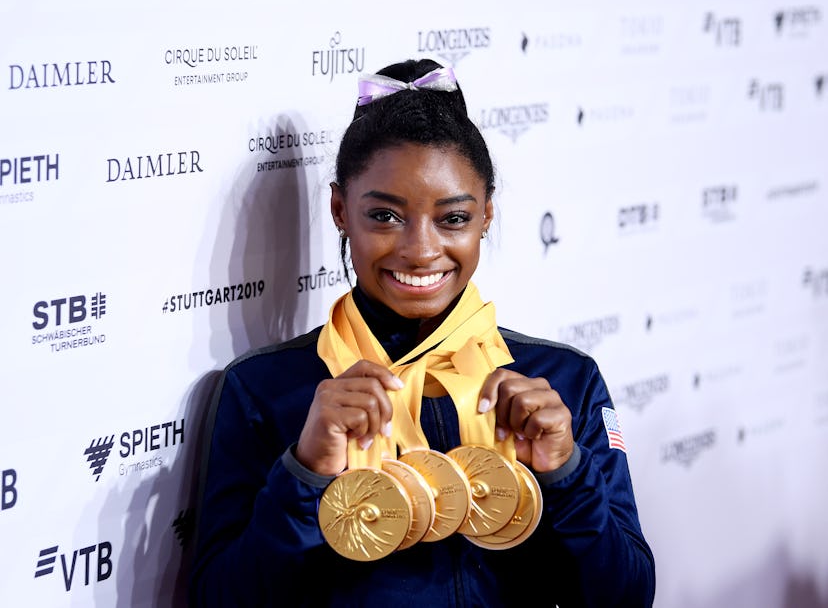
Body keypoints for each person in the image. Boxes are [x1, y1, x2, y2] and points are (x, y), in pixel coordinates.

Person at [189, 58, 656, 607]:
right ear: (340, 210)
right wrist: (305, 472)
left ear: (486, 215)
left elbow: (628, 596)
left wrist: (566, 472)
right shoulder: (265, 387)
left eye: (453, 218)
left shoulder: (562, 381)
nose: (420, 249)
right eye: (385, 217)